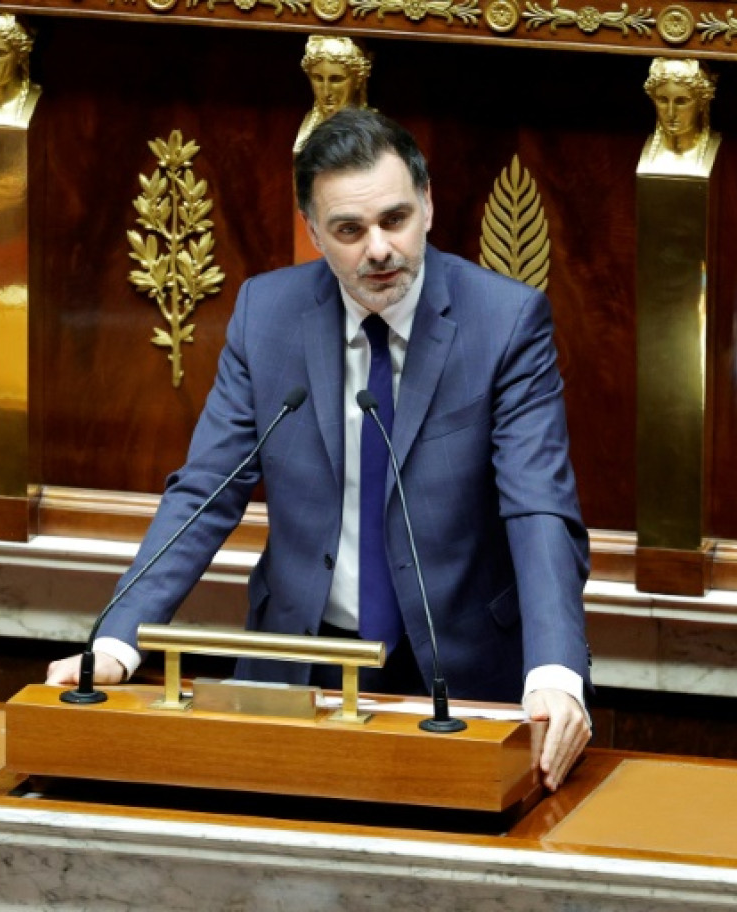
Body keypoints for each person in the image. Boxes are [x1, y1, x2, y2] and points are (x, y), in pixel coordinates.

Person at [48, 109, 592, 790]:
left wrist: (555, 673)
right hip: (300, 660)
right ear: (313, 233)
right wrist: (118, 638)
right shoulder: (266, 315)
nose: (379, 250)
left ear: (428, 205)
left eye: (395, 219)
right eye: (349, 230)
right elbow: (205, 492)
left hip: (462, 667)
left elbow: (538, 507)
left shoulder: (504, 322)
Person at [638, 57, 717, 176]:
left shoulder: (719, 152)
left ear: (702, 103)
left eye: (681, 102)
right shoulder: (638, 151)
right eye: (663, 100)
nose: (671, 113)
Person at [293, 36, 372, 153]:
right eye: (318, 78)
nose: (326, 92)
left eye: (336, 79)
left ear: (358, 80)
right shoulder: (308, 128)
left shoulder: (371, 132)